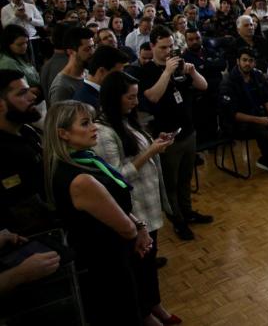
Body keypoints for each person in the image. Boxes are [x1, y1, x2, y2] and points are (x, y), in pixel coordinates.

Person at [43, 101, 149, 325]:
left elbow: (112, 205)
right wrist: (136, 230)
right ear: (63, 133)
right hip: (105, 260)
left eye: (92, 121)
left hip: (107, 252)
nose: (94, 128)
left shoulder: (81, 160)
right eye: (85, 123)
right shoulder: (81, 179)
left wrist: (139, 225)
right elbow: (125, 227)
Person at [94, 71, 180, 326]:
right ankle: (145, 312)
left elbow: (137, 150)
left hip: (148, 204)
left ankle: (155, 305)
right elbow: (117, 176)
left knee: (149, 265)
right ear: (114, 98)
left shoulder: (126, 120)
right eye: (130, 97)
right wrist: (151, 151)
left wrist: (156, 142)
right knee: (140, 268)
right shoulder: (104, 131)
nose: (135, 101)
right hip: (134, 210)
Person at [138, 25, 211, 241]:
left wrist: (192, 71)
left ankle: (187, 212)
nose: (168, 51)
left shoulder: (180, 65)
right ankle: (177, 221)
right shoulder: (147, 71)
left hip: (188, 132)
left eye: (171, 46)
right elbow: (152, 97)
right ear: (152, 46)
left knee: (186, 178)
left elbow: (203, 86)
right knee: (170, 183)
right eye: (163, 47)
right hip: (166, 138)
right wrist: (167, 72)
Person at [220, 47, 268, 174]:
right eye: (244, 60)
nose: (247, 63)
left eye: (251, 60)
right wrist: (259, 120)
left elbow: (266, 98)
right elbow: (232, 114)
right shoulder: (228, 81)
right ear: (238, 61)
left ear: (254, 62)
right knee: (262, 132)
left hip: (259, 115)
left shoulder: (257, 75)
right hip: (238, 123)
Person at [0, 70, 51, 234]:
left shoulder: (26, 130)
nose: (32, 97)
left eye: (29, 90)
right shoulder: (3, 151)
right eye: (22, 93)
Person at [72, 45, 130, 109]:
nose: (121, 78)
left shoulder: (90, 93)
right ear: (101, 71)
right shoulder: (88, 103)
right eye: (117, 74)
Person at [48, 27, 95, 104]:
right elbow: (60, 116)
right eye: (87, 49)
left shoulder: (87, 72)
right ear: (70, 51)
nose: (92, 52)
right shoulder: (61, 87)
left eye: (93, 47)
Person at [0, 25, 40, 93]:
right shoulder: (7, 63)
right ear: (8, 44)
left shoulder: (18, 55)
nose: (25, 46)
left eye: (26, 43)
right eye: (20, 44)